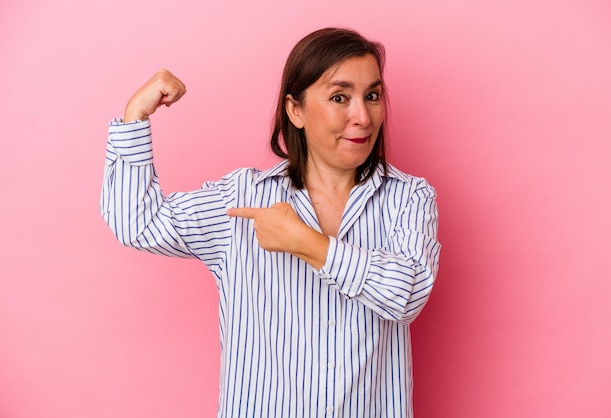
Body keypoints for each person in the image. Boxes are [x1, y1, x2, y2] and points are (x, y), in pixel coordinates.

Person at [101, 27, 441, 418]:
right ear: (294, 110)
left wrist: (306, 242)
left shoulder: (410, 197)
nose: (362, 117)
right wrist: (135, 117)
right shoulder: (242, 198)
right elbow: (136, 223)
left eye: (373, 96)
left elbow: (408, 296)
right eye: (339, 97)